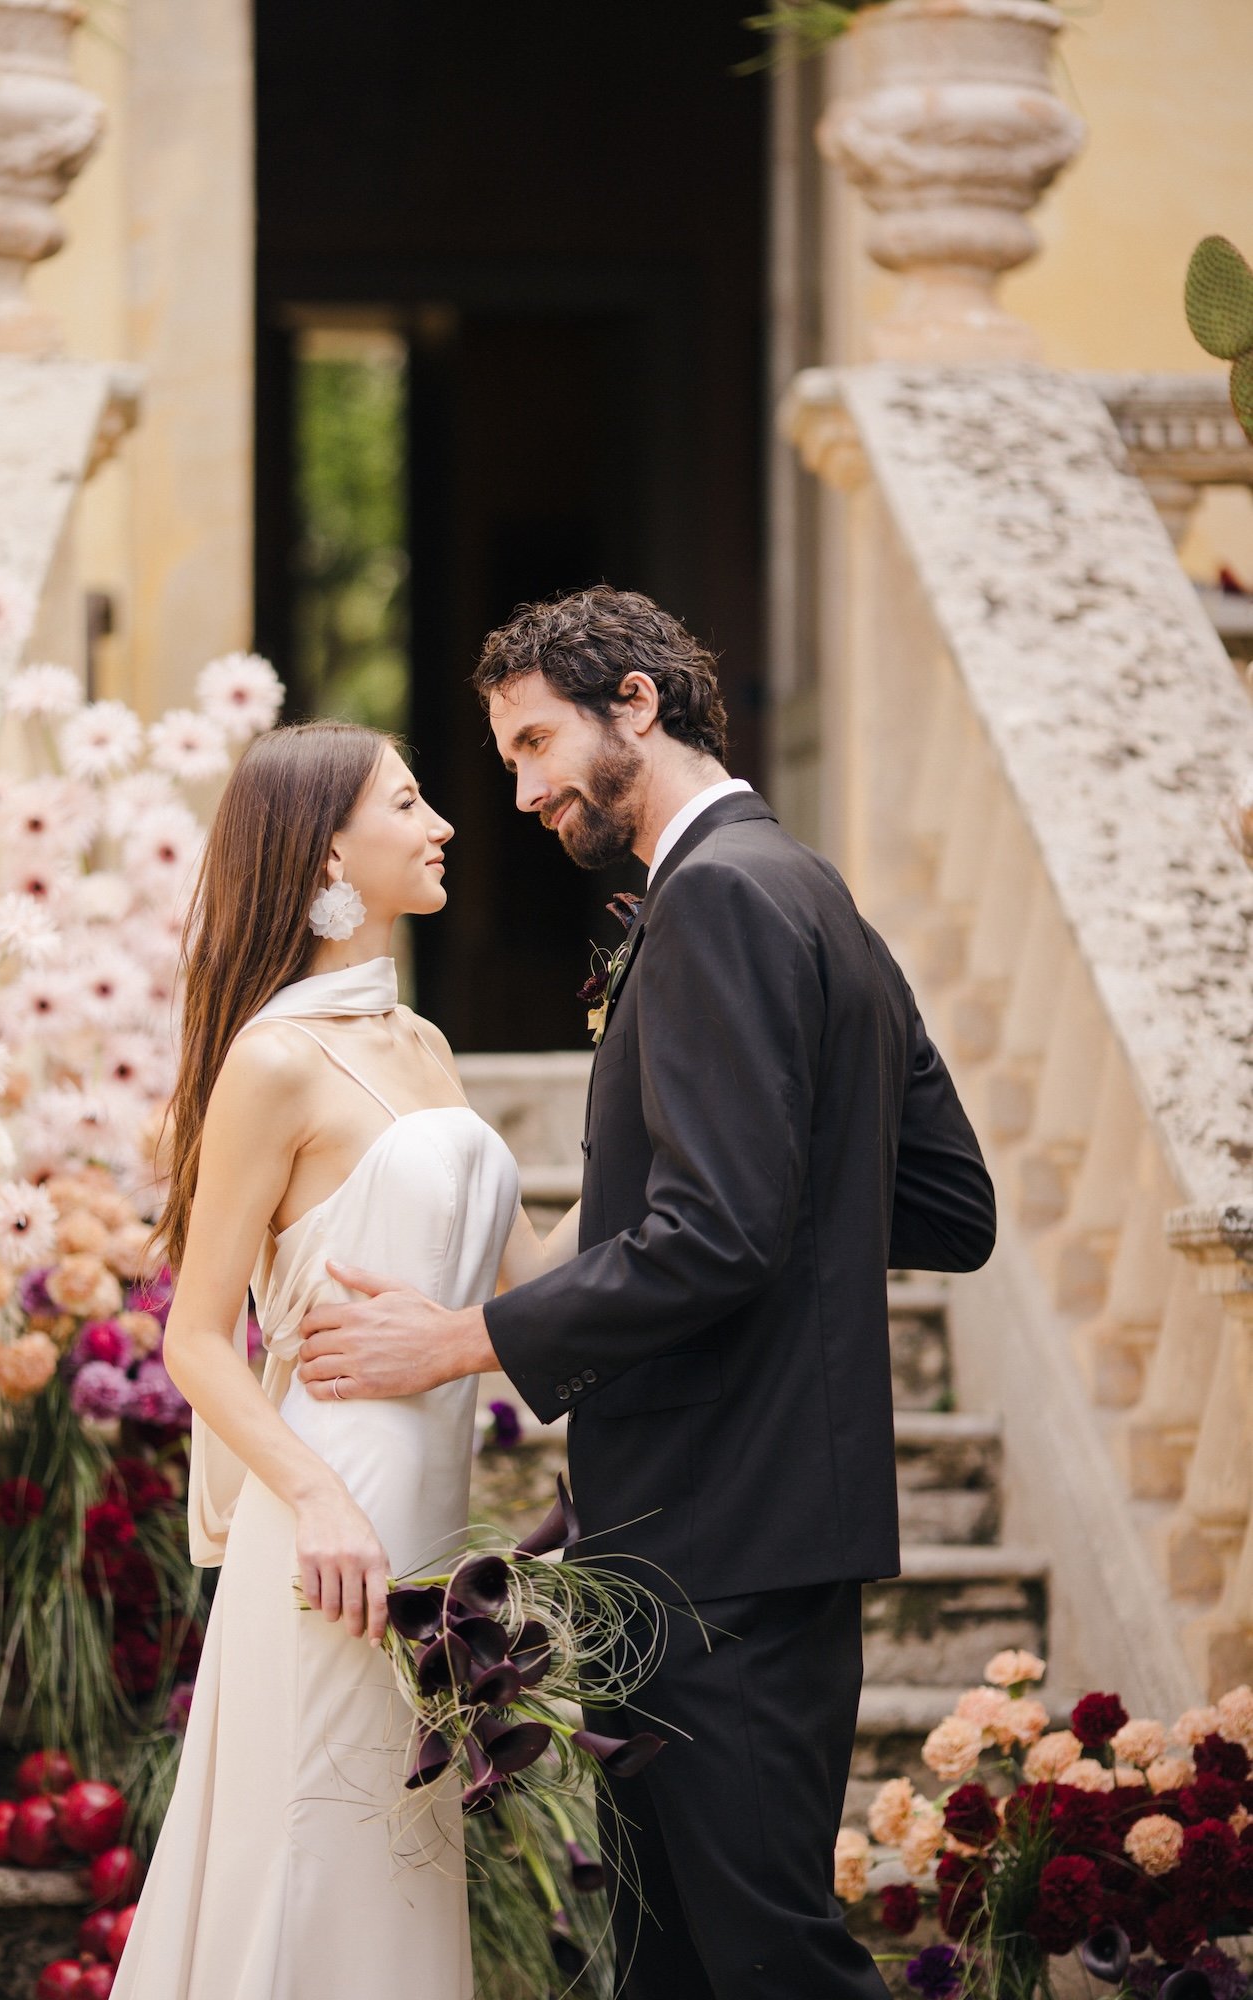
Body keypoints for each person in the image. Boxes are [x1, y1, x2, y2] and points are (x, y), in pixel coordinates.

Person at [297, 588, 998, 2000]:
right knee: (664, 1958)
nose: (521, 789)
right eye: (502, 762)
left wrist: (461, 1339)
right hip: (722, 1522)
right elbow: (941, 1205)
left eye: (534, 742)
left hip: (723, 1538)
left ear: (636, 702)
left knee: (763, 1955)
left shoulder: (722, 900)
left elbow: (717, 1234)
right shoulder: (805, 889)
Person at [113, 720, 574, 2000]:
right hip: (325, 1535)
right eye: (410, 801)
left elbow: (532, 1279)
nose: (442, 824)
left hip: (427, 1529)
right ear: (327, 849)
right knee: (314, 1851)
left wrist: (663, 1083)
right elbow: (196, 1338)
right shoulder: (272, 1061)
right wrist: (313, 1496)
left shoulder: (421, 1044)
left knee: (392, 1853)